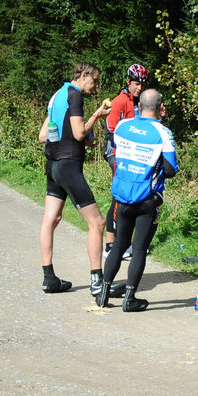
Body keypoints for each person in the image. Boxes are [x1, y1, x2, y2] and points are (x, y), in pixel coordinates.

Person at [97, 89, 178, 311]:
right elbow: (170, 170)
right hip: (147, 199)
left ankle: (103, 294)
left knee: (118, 245)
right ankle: (129, 299)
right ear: (160, 108)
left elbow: (114, 146)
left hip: (122, 195)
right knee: (139, 248)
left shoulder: (124, 126)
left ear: (139, 106)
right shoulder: (163, 132)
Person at [38, 62, 109, 294]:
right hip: (69, 167)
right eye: (95, 80)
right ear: (84, 75)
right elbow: (78, 132)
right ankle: (98, 283)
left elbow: (43, 135)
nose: (95, 86)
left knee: (51, 219)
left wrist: (77, 138)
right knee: (97, 223)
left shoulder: (57, 95)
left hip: (53, 166)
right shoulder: (75, 96)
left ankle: (49, 278)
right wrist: (97, 114)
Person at [102, 64, 150, 262]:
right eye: (136, 84)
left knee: (133, 197)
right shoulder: (119, 101)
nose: (139, 87)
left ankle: (126, 241)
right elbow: (110, 132)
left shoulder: (141, 103)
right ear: (128, 82)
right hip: (116, 154)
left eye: (142, 84)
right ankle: (110, 245)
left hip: (133, 155)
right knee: (120, 196)